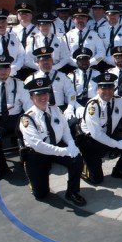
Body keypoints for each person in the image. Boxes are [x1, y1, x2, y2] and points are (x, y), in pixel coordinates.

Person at [20, 78, 86, 206]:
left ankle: (72, 191)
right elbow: (38, 146)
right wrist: (63, 151)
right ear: (31, 98)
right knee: (41, 195)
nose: (43, 97)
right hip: (37, 154)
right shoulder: (27, 119)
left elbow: (65, 129)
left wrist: (71, 144)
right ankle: (33, 180)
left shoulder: (55, 110)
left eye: (45, 93)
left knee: (76, 159)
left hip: (56, 146)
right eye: (38, 95)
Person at [78, 73, 122, 184]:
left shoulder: (119, 101)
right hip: (90, 141)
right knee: (96, 179)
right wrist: (118, 144)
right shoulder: (93, 106)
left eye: (110, 87)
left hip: (107, 136)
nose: (107, 91)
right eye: (103, 88)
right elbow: (97, 135)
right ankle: (82, 166)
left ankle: (120, 171)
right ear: (97, 89)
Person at [25, 47, 79, 123]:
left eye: (48, 60)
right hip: (40, 110)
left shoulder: (62, 76)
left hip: (60, 109)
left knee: (73, 120)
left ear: (52, 61)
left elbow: (71, 93)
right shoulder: (31, 79)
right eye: (43, 60)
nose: (46, 63)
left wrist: (70, 107)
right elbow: (27, 100)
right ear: (37, 62)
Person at [97, 3, 122, 71]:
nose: (112, 17)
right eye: (109, 15)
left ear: (118, 15)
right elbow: (98, 48)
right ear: (105, 16)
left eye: (114, 15)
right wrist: (106, 59)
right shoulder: (100, 30)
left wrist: (121, 58)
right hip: (104, 63)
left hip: (121, 63)